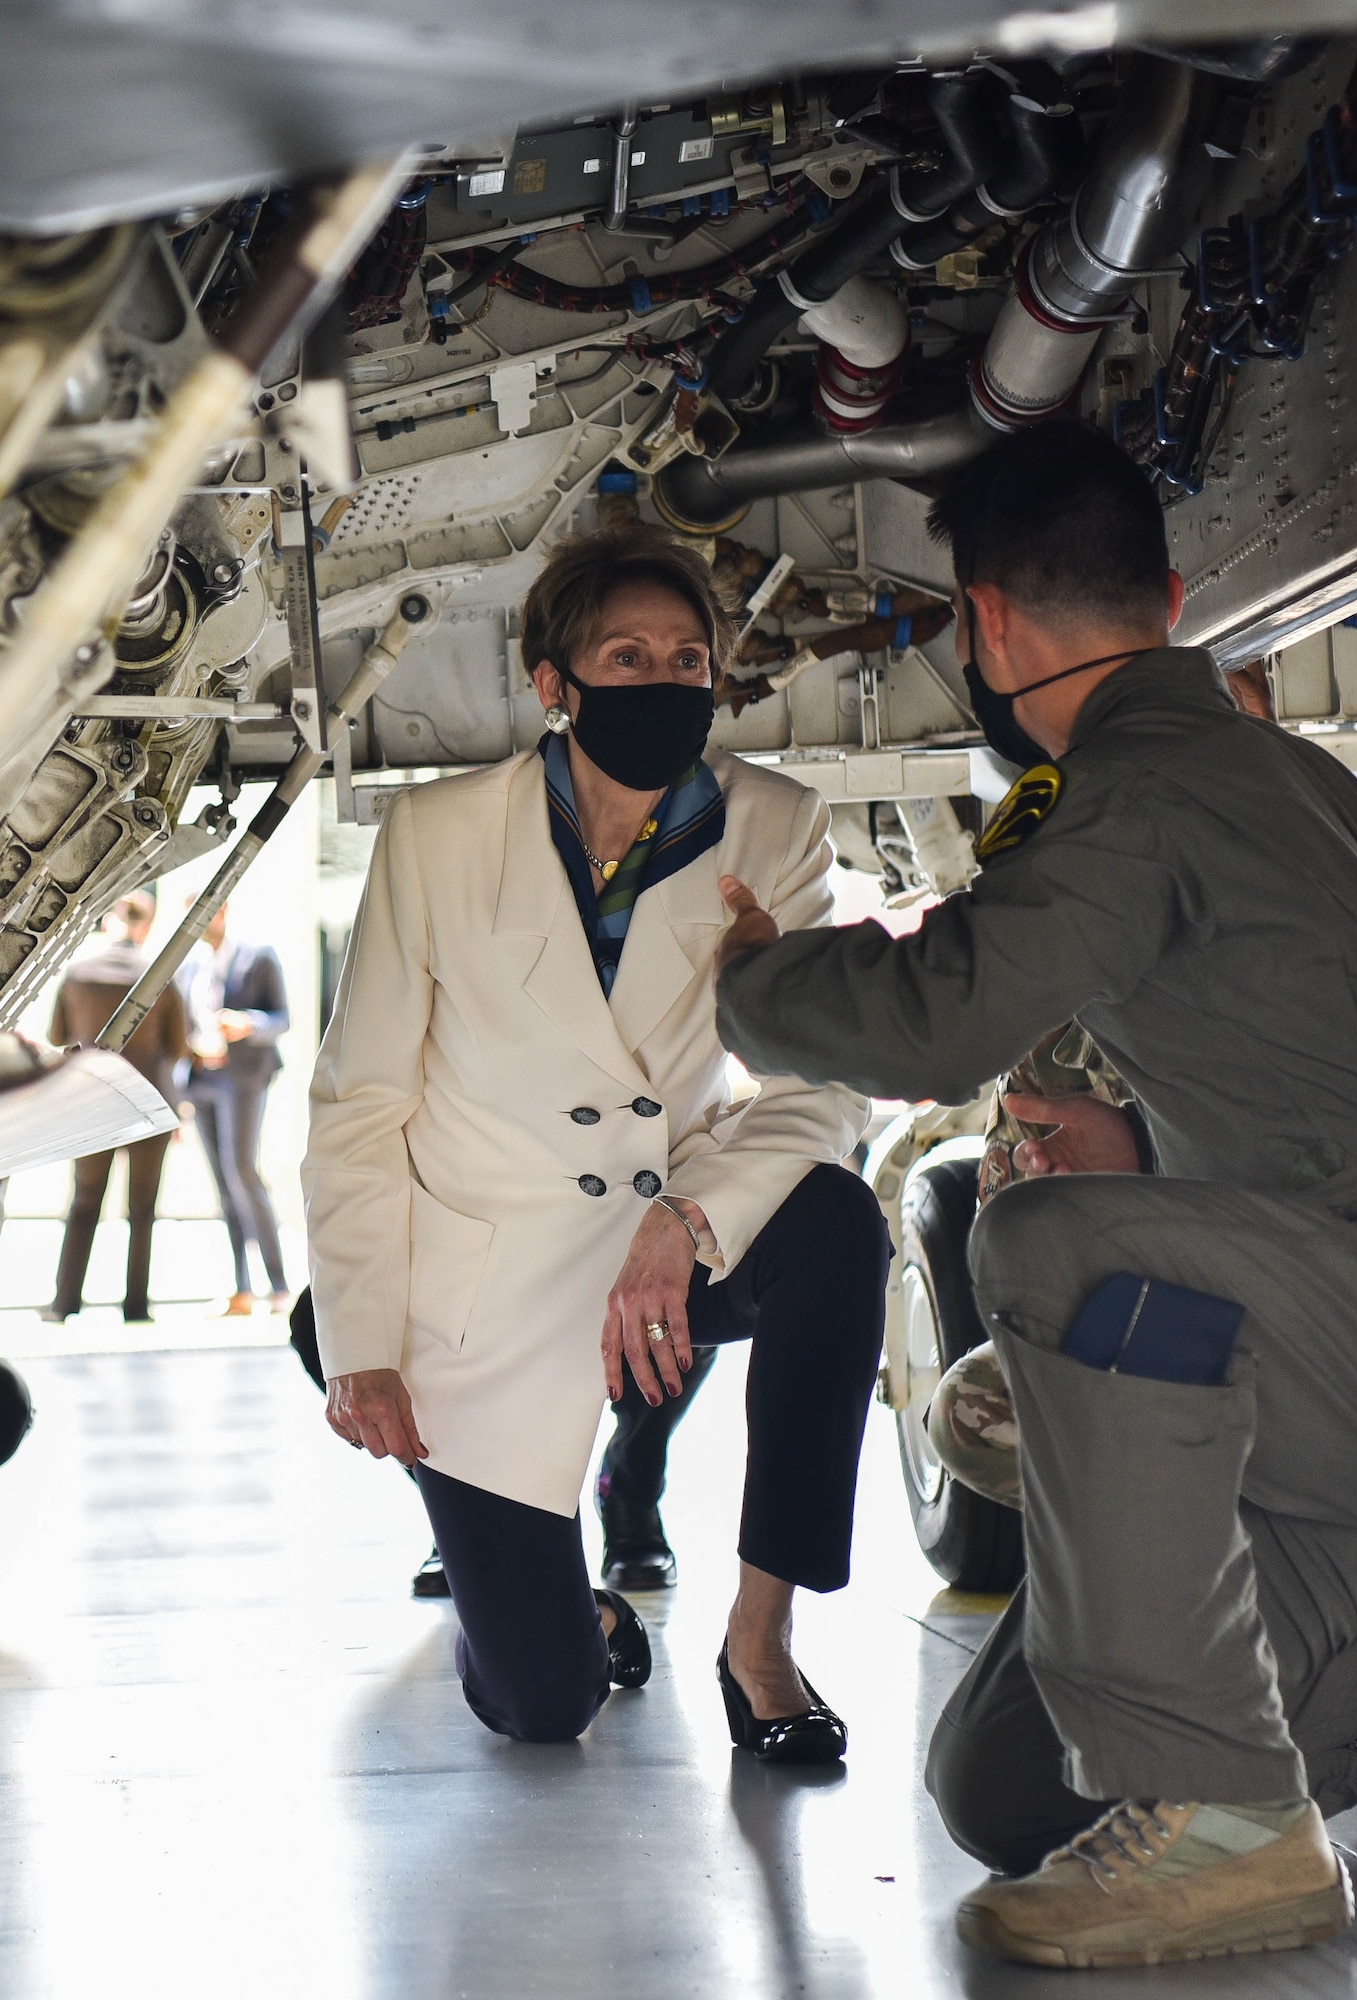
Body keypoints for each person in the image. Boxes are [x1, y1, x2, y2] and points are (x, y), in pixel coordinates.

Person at [713, 422, 1357, 1967]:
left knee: (1040, 1243)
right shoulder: (1315, 794)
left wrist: (750, 984)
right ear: (1169, 597)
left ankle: (1229, 1823)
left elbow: (936, 1022)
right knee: (1010, 1787)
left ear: (982, 625)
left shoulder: (1132, 793)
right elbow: (1351, 1090)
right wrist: (1155, 1158)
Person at [303, 524, 889, 1757]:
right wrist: (361, 1342)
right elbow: (361, 1104)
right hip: (498, 1287)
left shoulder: (770, 825)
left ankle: (761, 1639)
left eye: (687, 659)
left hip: (661, 1248)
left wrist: (682, 1220)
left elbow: (819, 1086)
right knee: (541, 1706)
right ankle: (567, 1595)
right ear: (551, 683)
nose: (662, 681)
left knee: (838, 1220)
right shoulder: (440, 834)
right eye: (624, 655)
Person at [43, 890, 190, 1324]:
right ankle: (136, 1306)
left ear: (110, 920)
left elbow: (56, 1037)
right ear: (146, 924)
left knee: (84, 1201)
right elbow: (178, 1047)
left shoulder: (79, 973)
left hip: (92, 1104)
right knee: (142, 1210)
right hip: (148, 1105)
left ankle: (65, 1302)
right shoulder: (161, 975)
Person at [179, 901, 290, 1315]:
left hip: (243, 1080)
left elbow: (281, 1018)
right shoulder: (189, 968)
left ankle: (278, 1285)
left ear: (222, 909)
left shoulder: (257, 956)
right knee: (224, 1186)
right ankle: (241, 1289)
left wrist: (248, 1023)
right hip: (202, 1082)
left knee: (244, 1174)